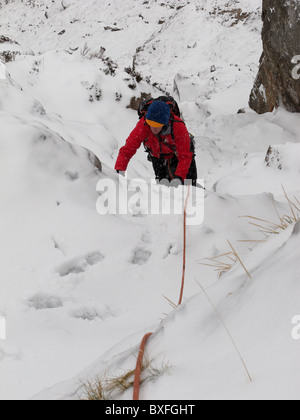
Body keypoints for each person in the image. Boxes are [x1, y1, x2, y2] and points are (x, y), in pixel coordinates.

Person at [115, 100, 197, 186]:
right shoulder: (143, 125)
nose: (154, 128)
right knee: (164, 190)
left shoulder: (178, 126)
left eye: (157, 125)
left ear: (165, 123)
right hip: (158, 159)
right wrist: (119, 169)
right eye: (151, 123)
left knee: (189, 188)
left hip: (178, 157)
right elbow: (128, 148)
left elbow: (185, 156)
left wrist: (179, 178)